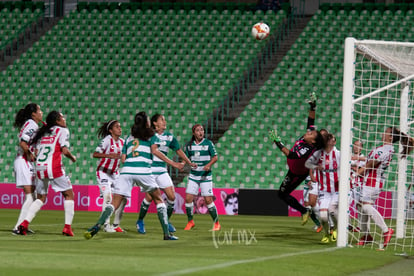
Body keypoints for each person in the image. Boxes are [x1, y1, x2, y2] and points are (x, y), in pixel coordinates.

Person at [84, 111, 184, 240]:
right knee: (159, 199)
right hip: (143, 170)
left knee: (114, 203)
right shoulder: (151, 135)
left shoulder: (128, 138)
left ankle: (97, 225)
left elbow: (123, 159)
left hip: (126, 171)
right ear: (147, 123)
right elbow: (155, 151)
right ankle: (166, 234)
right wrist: (173, 163)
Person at [268, 92, 325, 225]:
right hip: (293, 171)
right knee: (281, 194)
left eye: (311, 133)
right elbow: (311, 121)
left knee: (282, 194)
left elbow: (292, 155)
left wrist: (278, 142)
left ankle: (308, 214)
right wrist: (313, 107)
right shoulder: (307, 139)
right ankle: (309, 215)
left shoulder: (308, 148)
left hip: (297, 174)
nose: (308, 132)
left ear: (313, 142)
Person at [17, 111, 77, 236]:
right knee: (69, 195)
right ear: (57, 121)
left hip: (39, 167)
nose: (64, 119)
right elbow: (64, 150)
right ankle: (67, 227)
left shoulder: (42, 133)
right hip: (54, 167)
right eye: (62, 117)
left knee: (40, 198)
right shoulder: (63, 131)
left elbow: (37, 150)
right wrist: (72, 157)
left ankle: (24, 224)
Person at [136, 114, 196, 234]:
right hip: (150, 170)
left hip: (162, 171)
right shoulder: (149, 136)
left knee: (172, 197)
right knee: (149, 197)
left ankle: (166, 221)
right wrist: (173, 164)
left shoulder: (169, 136)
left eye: (164, 119)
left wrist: (189, 162)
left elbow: (178, 150)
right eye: (162, 119)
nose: (164, 121)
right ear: (155, 123)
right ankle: (140, 221)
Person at [356, 127, 413, 248]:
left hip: (372, 182)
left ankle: (386, 230)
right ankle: (366, 235)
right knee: (360, 206)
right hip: (372, 181)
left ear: (390, 137)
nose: (383, 133)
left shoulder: (384, 150)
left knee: (365, 206)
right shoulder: (387, 149)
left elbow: (370, 165)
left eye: (386, 132)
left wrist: (355, 174)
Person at [12, 103, 43, 235]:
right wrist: (31, 155)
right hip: (24, 161)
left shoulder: (31, 124)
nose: (41, 112)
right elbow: (23, 142)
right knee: (30, 196)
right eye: (39, 110)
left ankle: (23, 225)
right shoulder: (32, 124)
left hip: (25, 161)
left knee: (33, 196)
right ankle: (18, 227)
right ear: (33, 114)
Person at [183, 124, 220, 231]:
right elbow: (185, 158)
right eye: (198, 130)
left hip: (205, 176)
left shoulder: (208, 143)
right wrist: (185, 163)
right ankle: (190, 222)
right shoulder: (189, 146)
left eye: (202, 130)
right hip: (194, 175)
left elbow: (215, 157)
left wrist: (208, 165)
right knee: (188, 198)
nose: (201, 132)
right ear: (194, 133)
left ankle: (217, 223)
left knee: (208, 200)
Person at [305, 133, 340, 243]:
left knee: (333, 212)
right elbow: (307, 163)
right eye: (328, 139)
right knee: (324, 216)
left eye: (331, 139)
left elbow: (349, 164)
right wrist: (316, 167)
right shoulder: (318, 154)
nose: (330, 141)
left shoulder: (339, 154)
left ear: (334, 142)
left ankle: (336, 229)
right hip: (324, 190)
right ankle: (326, 233)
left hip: (337, 190)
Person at [93, 120, 126, 233]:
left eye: (120, 126)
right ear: (111, 130)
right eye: (117, 127)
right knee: (108, 197)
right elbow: (95, 154)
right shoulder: (106, 141)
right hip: (103, 172)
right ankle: (106, 225)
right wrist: (108, 155)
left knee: (123, 199)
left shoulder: (122, 142)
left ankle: (116, 225)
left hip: (115, 173)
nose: (120, 129)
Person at [348, 140, 366, 232]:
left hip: (359, 185)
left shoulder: (363, 158)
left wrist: (354, 167)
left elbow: (362, 171)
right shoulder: (348, 156)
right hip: (348, 185)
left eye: (358, 146)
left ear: (361, 147)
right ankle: (348, 224)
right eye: (355, 145)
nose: (356, 147)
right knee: (345, 204)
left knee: (359, 206)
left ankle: (360, 226)